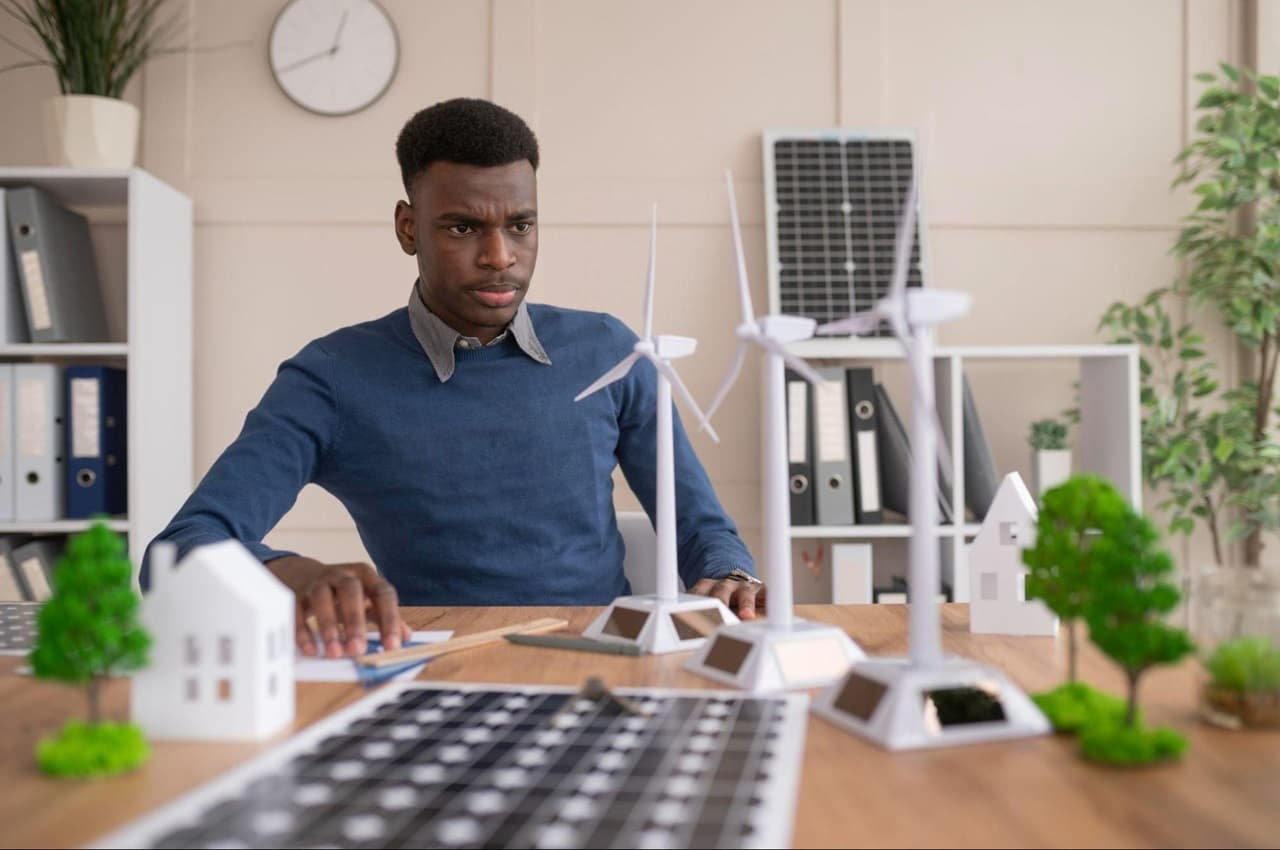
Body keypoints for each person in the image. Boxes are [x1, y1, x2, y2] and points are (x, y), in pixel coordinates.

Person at [145, 98, 762, 658]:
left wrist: (732, 573)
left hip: (601, 663)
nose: (499, 255)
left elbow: (700, 526)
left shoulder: (610, 349)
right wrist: (293, 574)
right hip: (435, 668)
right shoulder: (333, 377)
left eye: (520, 224)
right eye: (463, 228)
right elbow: (175, 551)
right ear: (409, 227)